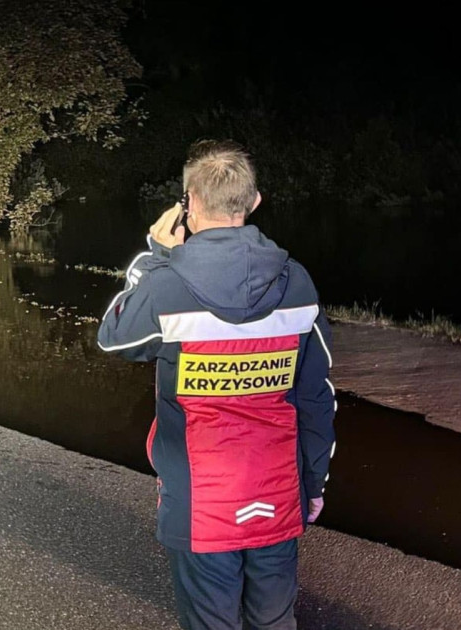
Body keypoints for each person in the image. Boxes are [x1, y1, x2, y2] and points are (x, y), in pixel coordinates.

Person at [98, 140, 336, 629]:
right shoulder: (298, 284)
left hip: (199, 501)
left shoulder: (166, 285)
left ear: (189, 203)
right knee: (274, 622)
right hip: (277, 491)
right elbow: (316, 399)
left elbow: (113, 338)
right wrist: (312, 483)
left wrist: (154, 258)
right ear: (253, 203)